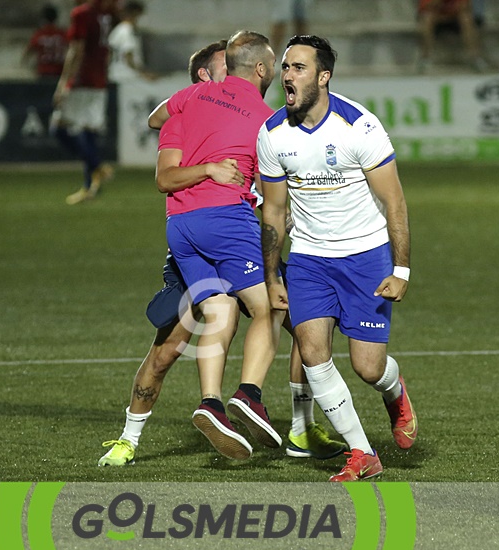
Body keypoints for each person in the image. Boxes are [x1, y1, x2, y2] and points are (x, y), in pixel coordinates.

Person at [100, 41, 347, 466]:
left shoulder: (190, 108)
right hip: (224, 231)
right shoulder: (232, 117)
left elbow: (162, 130)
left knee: (295, 321)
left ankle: (289, 425)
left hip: (200, 229)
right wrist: (215, 170)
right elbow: (168, 175)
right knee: (177, 346)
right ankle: (237, 400)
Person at [257, 35, 417, 482]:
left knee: (368, 367)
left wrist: (401, 269)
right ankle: (362, 452)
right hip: (309, 259)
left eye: (299, 67)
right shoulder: (271, 134)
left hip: (365, 256)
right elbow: (272, 210)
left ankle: (394, 392)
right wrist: (273, 276)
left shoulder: (359, 127)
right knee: (312, 352)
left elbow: (395, 203)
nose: (287, 75)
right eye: (285, 66)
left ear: (323, 76)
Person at [157, 30, 279, 461]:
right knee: (270, 307)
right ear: (262, 69)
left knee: (221, 309)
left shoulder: (191, 98)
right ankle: (248, 394)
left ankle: (210, 403)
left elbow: (158, 126)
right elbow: (269, 187)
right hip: (226, 218)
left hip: (180, 227)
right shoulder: (266, 118)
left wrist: (201, 116)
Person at [52, 0, 113, 205]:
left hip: (82, 81)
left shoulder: (81, 13)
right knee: (88, 132)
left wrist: (63, 83)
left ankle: (98, 167)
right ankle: (90, 187)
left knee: (57, 128)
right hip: (99, 82)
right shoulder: (103, 14)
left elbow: (76, 50)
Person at [108, 0, 157, 83]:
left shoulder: (118, 30)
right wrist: (144, 74)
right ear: (135, 14)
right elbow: (128, 57)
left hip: (116, 75)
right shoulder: (128, 31)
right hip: (126, 78)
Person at [22, 4, 67, 82]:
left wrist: (24, 63)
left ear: (43, 19)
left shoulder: (40, 34)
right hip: (59, 71)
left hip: (43, 71)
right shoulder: (62, 33)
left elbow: (28, 51)